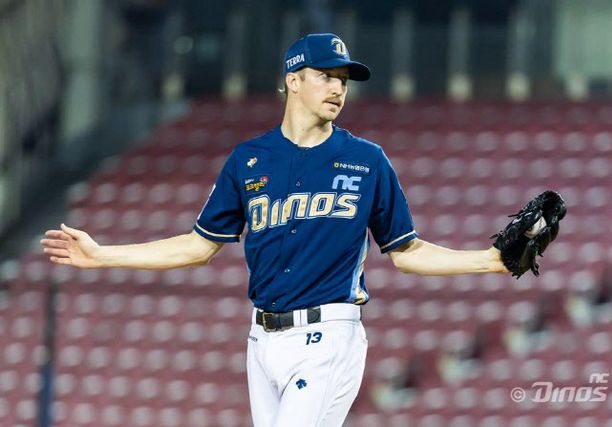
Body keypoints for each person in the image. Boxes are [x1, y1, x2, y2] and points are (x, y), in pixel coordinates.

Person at [41, 33, 507, 427]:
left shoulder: (367, 161)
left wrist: (488, 261)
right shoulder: (249, 159)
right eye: (326, 76)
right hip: (261, 340)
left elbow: (407, 251)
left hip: (328, 336)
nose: (337, 88)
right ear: (293, 80)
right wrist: (102, 255)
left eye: (343, 80)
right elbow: (198, 246)